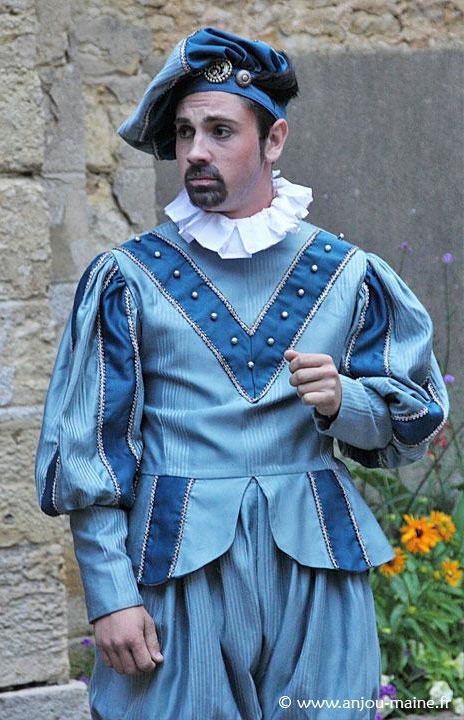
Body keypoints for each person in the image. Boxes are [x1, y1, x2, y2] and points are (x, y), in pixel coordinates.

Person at [35, 27, 449, 720]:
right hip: (176, 571)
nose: (195, 151)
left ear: (273, 140)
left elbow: (412, 422)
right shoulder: (127, 279)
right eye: (185, 132)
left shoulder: (349, 274)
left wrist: (344, 402)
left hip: (316, 575)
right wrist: (110, 594)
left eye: (220, 131)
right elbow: (91, 451)